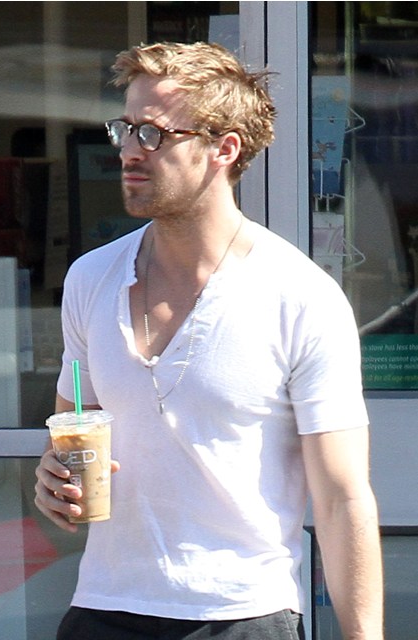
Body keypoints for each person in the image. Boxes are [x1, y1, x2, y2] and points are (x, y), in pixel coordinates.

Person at [35, 41, 383, 640]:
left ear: (224, 149)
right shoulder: (91, 278)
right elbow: (72, 427)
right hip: (103, 608)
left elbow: (342, 498)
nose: (129, 150)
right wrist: (53, 479)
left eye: (154, 134)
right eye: (124, 129)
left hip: (241, 615)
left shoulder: (299, 295)